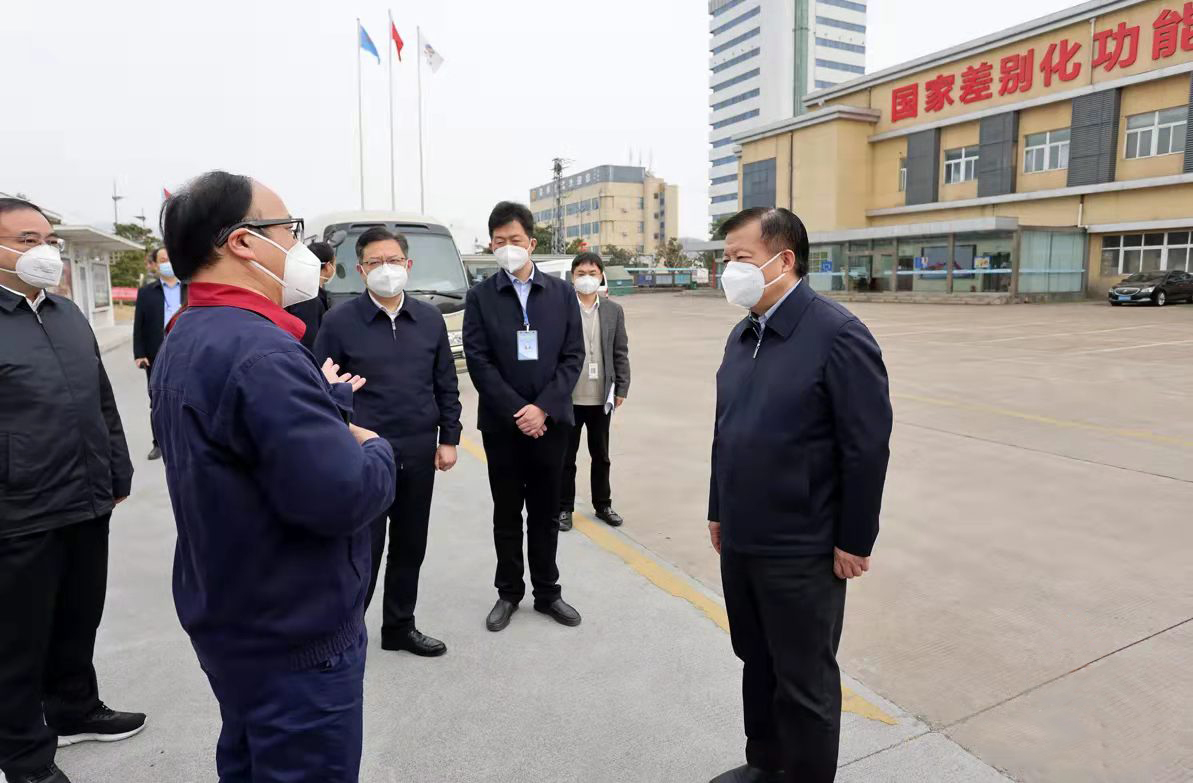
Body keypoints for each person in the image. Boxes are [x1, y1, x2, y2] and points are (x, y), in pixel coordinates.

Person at [153, 171, 396, 782]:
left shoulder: (190, 333)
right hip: (292, 634)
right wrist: (376, 449)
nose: (299, 247)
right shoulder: (260, 353)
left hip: (235, 616)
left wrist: (325, 408)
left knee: (250, 760)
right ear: (242, 242)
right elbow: (341, 496)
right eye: (289, 230)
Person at [707, 208, 892, 783]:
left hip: (801, 547)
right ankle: (766, 765)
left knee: (804, 680)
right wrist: (718, 509)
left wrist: (855, 539)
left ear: (783, 260)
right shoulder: (744, 334)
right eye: (726, 259)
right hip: (743, 537)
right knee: (756, 661)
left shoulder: (837, 334)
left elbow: (866, 447)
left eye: (740, 258)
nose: (728, 270)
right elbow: (726, 430)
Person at [0, 198, 144, 783]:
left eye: (49, 240)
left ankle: (74, 708)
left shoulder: (66, 312)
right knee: (17, 638)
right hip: (18, 507)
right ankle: (23, 756)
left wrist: (116, 467)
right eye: (26, 239)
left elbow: (99, 396)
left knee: (79, 616)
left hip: (85, 496)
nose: (44, 251)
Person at [314, 227, 461, 658]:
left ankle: (399, 626)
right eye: (375, 262)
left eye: (394, 261)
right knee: (363, 550)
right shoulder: (339, 321)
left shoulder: (429, 319)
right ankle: (346, 635)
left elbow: (445, 383)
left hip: (418, 448)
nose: (386, 269)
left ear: (408, 265)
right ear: (361, 270)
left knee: (410, 545)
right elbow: (320, 387)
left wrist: (449, 438)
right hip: (363, 455)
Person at [463, 201, 585, 632]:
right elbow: (478, 361)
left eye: (514, 239)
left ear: (531, 242)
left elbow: (573, 356)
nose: (507, 247)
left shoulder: (561, 293)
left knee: (546, 512)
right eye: (499, 241)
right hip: (503, 425)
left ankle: (548, 592)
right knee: (507, 512)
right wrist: (519, 410)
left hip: (551, 422)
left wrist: (542, 408)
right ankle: (509, 592)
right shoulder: (481, 297)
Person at [555, 252, 630, 532]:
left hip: (601, 397)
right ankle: (564, 508)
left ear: (601, 276)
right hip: (569, 397)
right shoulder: (562, 308)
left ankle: (603, 505)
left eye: (592, 273)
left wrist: (621, 386)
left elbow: (620, 351)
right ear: (572, 277)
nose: (587, 278)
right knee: (566, 457)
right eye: (581, 273)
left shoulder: (613, 310)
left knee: (601, 455)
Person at [132, 246, 186, 460]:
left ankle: (185, 439)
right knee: (157, 399)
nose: (168, 263)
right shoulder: (147, 292)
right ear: (154, 265)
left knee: (188, 397)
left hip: (186, 351)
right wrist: (139, 353)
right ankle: (159, 443)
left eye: (170, 258)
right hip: (157, 353)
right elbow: (139, 324)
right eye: (163, 260)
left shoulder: (190, 287)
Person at [287, 240, 336, 350]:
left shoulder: (303, 292)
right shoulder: (309, 298)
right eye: (334, 263)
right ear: (328, 266)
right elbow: (309, 343)